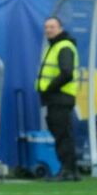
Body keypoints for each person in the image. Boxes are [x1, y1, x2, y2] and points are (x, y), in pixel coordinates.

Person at [37, 16, 79, 182]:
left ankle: (67, 170)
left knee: (62, 135)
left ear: (60, 28)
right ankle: (72, 170)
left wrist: (48, 88)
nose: (48, 30)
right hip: (58, 98)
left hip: (60, 97)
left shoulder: (63, 46)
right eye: (46, 27)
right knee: (63, 134)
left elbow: (67, 73)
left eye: (52, 27)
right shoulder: (57, 45)